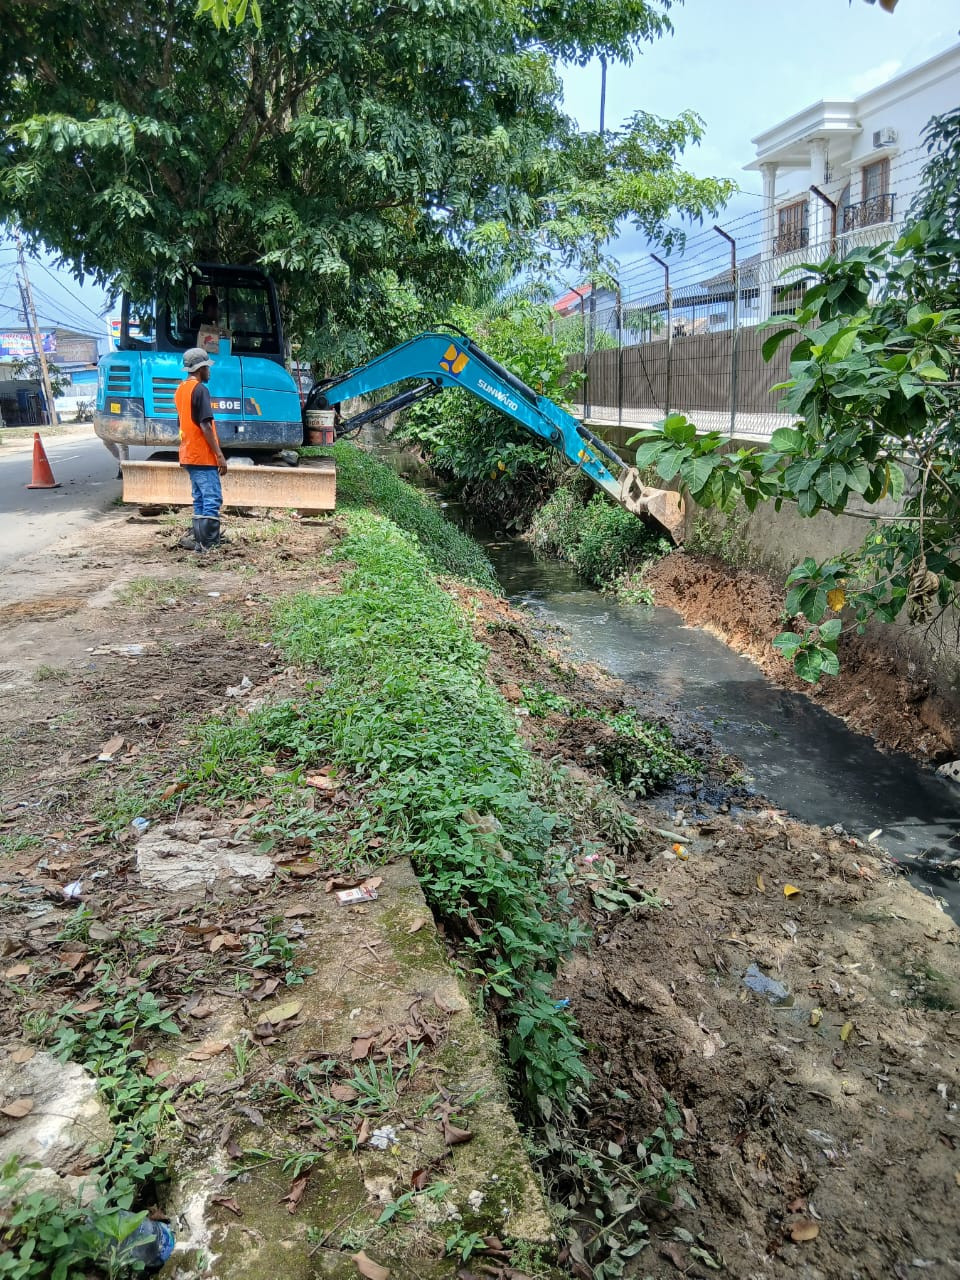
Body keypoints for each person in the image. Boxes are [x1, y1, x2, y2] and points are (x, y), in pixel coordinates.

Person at [175, 347, 228, 552]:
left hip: (188, 453)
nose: (209, 372)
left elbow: (181, 422)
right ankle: (209, 544)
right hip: (202, 455)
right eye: (207, 368)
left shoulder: (180, 390)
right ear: (200, 369)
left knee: (200, 498)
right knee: (212, 497)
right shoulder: (200, 390)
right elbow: (205, 425)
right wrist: (219, 455)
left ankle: (200, 541)